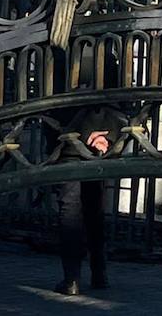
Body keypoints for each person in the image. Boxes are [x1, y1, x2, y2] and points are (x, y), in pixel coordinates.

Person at [50, 43, 124, 297]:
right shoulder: (108, 53)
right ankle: (99, 271)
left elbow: (54, 103)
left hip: (70, 140)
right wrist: (107, 136)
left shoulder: (61, 52)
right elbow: (120, 100)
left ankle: (71, 278)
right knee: (94, 208)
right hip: (100, 144)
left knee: (70, 209)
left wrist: (83, 133)